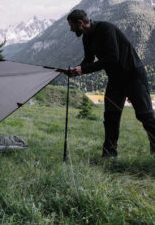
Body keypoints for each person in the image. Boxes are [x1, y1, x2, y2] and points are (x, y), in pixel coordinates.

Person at [65, 9, 155, 157]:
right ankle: (109, 155)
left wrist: (83, 69)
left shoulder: (106, 29)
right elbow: (88, 60)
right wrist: (77, 70)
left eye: (72, 26)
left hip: (133, 76)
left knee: (145, 115)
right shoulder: (86, 37)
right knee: (111, 116)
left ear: (80, 23)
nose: (71, 29)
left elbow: (113, 57)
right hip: (115, 80)